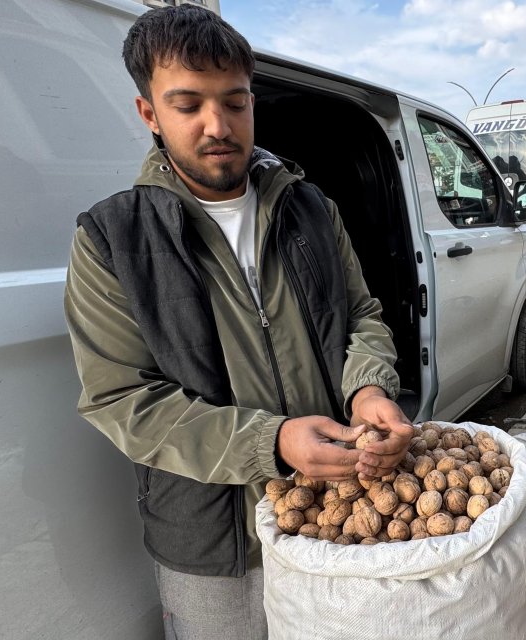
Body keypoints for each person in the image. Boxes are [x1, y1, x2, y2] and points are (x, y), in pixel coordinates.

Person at [63, 7, 412, 637]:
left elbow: (361, 315)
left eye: (235, 101)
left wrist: (367, 388)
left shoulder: (310, 208)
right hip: (213, 549)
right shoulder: (112, 238)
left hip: (332, 513)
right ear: (149, 114)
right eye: (188, 104)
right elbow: (122, 401)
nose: (217, 125)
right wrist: (272, 443)